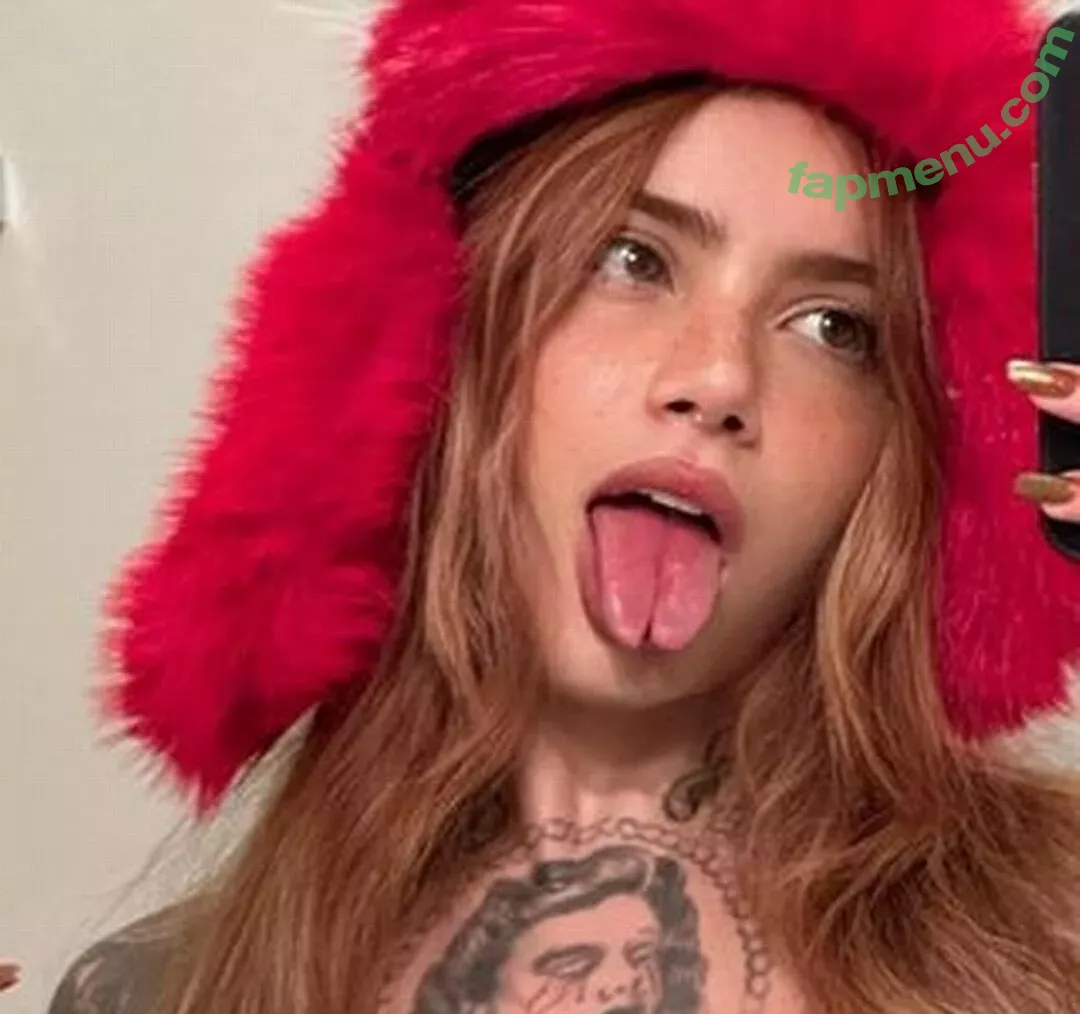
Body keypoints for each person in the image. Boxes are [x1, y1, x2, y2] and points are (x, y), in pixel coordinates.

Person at [44, 0, 1080, 1011]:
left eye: (832, 327)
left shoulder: (1053, 942)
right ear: (442, 341)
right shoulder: (151, 992)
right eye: (632, 261)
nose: (719, 377)